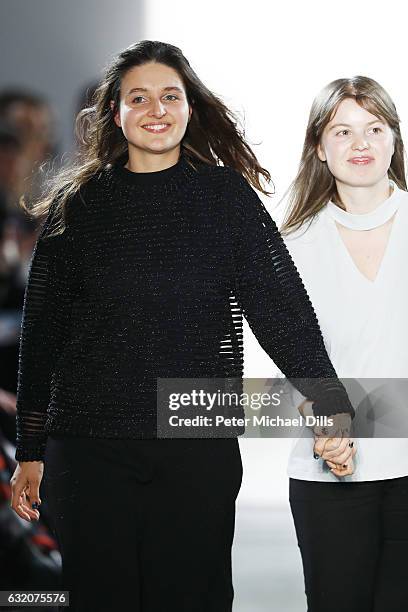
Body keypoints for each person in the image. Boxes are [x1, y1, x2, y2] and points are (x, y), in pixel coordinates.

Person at [10, 40, 353, 612]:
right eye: (137, 98)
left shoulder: (225, 200)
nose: (156, 109)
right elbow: (41, 332)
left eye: (170, 95)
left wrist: (327, 398)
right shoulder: (79, 205)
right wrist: (30, 450)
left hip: (197, 441)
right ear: (114, 114)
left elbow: (280, 308)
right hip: (89, 447)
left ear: (189, 106)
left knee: (194, 596)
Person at [282, 76, 408, 612]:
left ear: (394, 139)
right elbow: (284, 350)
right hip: (329, 463)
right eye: (343, 131)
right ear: (319, 145)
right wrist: (317, 416)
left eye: (374, 128)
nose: (361, 144)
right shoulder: (292, 243)